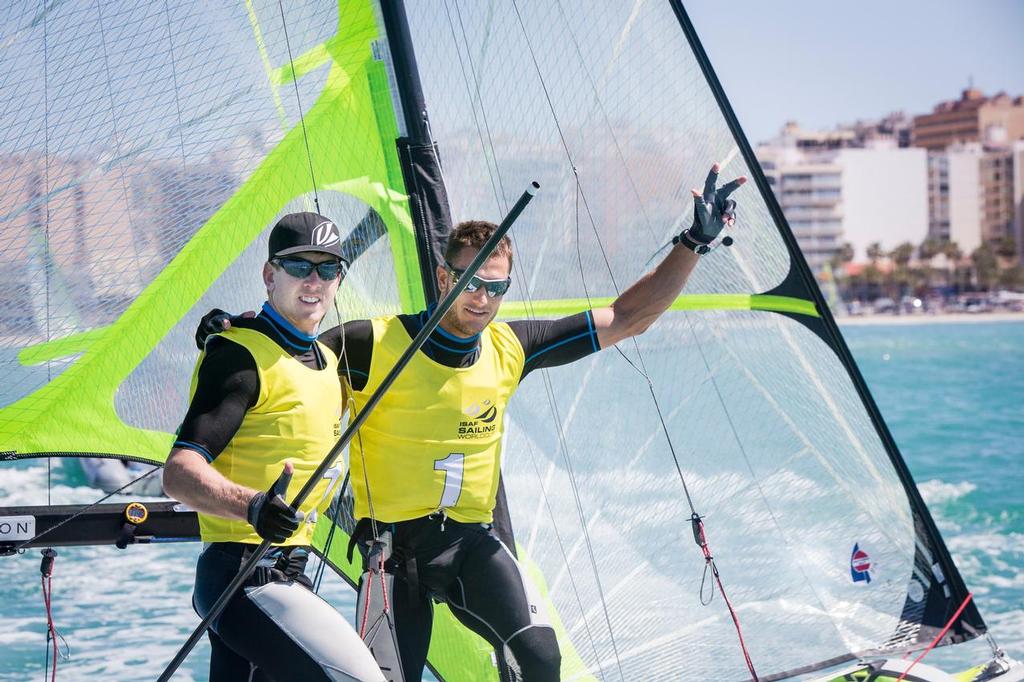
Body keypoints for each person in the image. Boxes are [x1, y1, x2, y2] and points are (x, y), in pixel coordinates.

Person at [200, 165, 745, 681]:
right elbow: (290, 358)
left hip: (470, 546)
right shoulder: (366, 344)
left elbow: (629, 317)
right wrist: (233, 327)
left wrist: (692, 245)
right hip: (389, 559)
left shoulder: (512, 347)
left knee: (538, 655)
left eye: (496, 287)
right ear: (444, 275)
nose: (482, 298)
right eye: (470, 282)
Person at [163, 212, 385, 682]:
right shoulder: (237, 357)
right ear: (270, 275)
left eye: (328, 269)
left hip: (290, 575)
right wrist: (253, 505)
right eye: (299, 266)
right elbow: (179, 472)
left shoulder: (327, 360)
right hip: (242, 576)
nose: (315, 280)